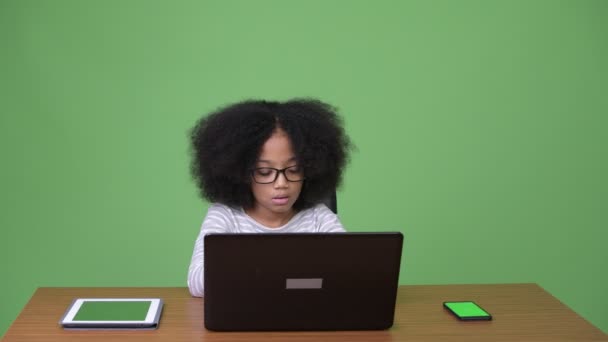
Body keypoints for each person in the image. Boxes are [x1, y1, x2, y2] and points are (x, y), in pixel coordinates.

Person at [187, 98, 353, 297]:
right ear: (239, 173)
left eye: (294, 169)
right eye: (265, 171)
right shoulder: (225, 216)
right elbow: (197, 282)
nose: (281, 183)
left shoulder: (318, 217)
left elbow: (349, 273)